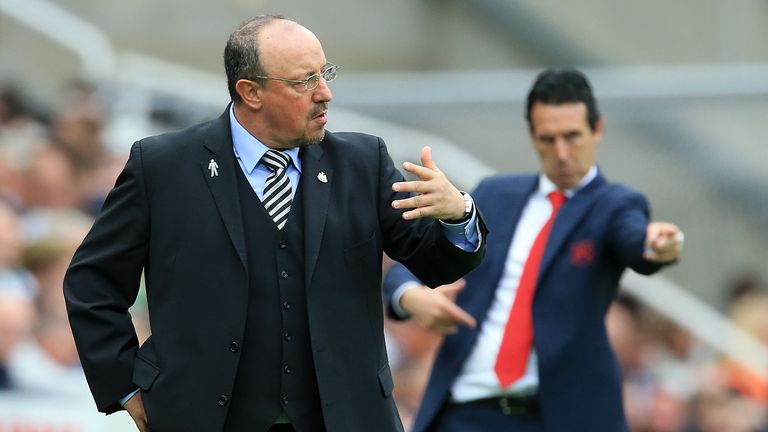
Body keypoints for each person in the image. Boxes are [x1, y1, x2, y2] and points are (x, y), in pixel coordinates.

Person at [63, 15, 487, 432]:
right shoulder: (162, 166)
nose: (325, 94)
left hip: (346, 417)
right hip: (202, 417)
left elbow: (434, 264)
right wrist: (125, 387)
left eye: (326, 74)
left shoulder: (364, 162)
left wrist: (457, 214)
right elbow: (92, 281)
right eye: (305, 81)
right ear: (251, 92)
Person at [383, 68, 684, 432]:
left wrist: (657, 247)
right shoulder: (496, 194)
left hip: (558, 416)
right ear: (532, 136)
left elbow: (636, 241)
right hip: (464, 412)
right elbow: (414, 260)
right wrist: (411, 296)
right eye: (548, 139)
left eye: (572, 136)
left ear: (597, 129)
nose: (561, 152)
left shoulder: (614, 204)